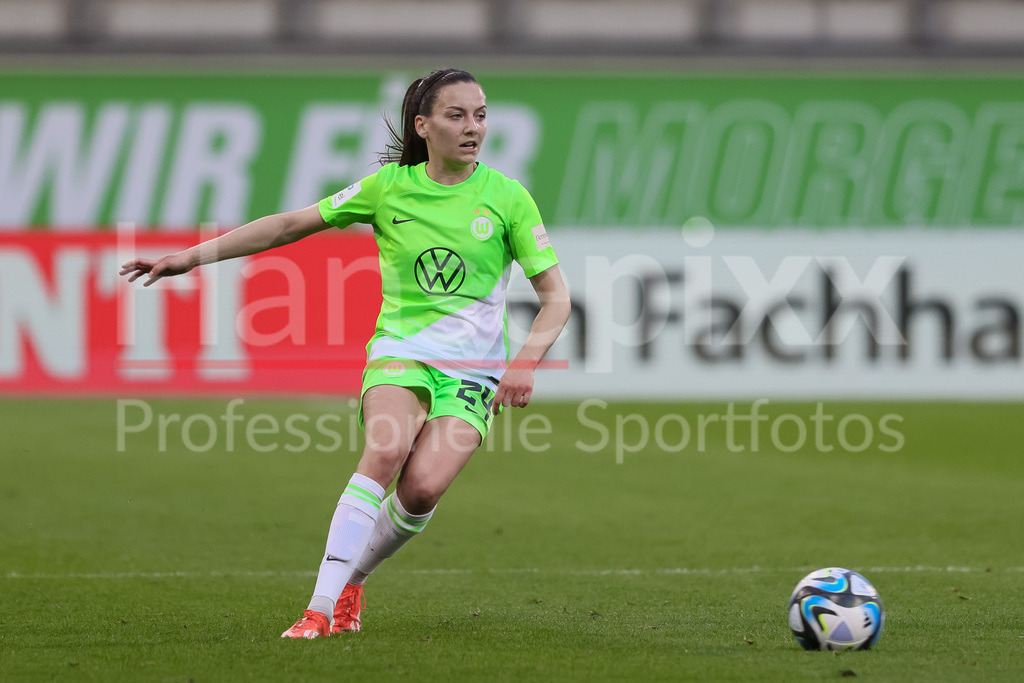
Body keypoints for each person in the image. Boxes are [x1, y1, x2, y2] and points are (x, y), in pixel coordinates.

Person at [119, 68, 571, 639]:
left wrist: (524, 361)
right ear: (423, 126)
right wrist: (191, 257)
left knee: (422, 489)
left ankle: (353, 581)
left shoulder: (508, 197)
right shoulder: (389, 188)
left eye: (480, 115)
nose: (473, 127)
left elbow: (556, 298)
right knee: (385, 450)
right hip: (401, 354)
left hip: (473, 372)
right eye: (456, 115)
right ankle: (318, 608)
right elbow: (289, 225)